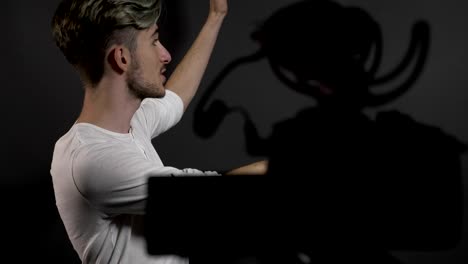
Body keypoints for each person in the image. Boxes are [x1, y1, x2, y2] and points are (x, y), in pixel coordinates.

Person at [49, 0, 267, 263]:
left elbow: (174, 98)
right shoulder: (91, 159)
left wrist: (216, 16)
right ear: (122, 58)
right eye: (154, 41)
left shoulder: (129, 122)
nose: (165, 55)